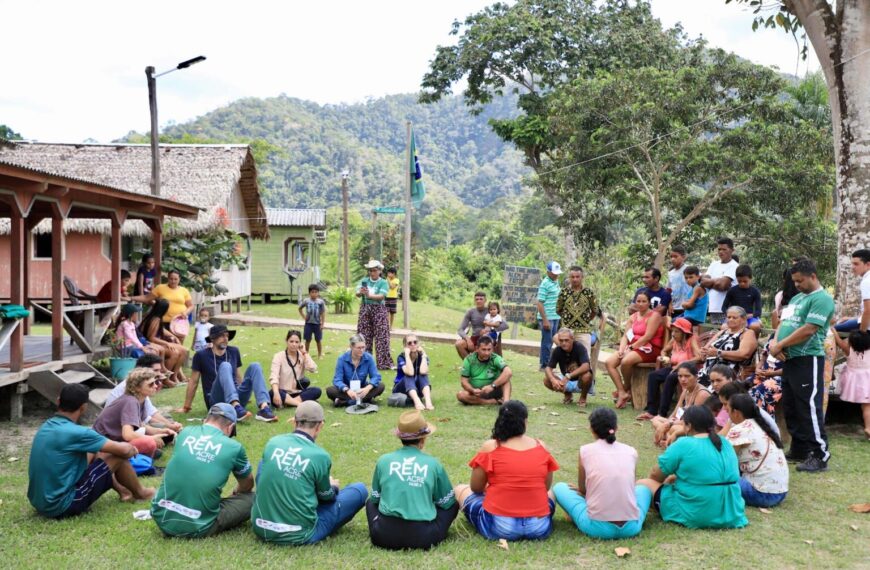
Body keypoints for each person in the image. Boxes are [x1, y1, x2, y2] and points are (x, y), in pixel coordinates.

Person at [28, 384, 154, 518]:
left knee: (99, 451)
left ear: (58, 401)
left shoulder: (46, 426)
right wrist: (131, 448)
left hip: (39, 502)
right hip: (61, 505)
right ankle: (141, 493)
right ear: (83, 407)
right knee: (118, 455)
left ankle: (124, 492)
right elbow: (123, 451)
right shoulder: (79, 433)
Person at [251, 401, 368, 545]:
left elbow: (260, 479)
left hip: (260, 526)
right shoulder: (320, 456)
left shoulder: (273, 443)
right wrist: (333, 487)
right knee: (359, 490)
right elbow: (327, 497)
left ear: (294, 422)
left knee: (265, 462)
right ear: (320, 426)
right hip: (300, 533)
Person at [455, 401, 559, 541]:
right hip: (538, 527)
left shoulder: (491, 447)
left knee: (460, 489)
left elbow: (476, 488)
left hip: (501, 527)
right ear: (525, 422)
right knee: (551, 493)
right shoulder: (541, 446)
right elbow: (545, 487)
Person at [769, 259, 835, 472]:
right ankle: (799, 448)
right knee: (791, 405)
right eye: (794, 281)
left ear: (813, 276)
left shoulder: (822, 299)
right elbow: (783, 324)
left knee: (808, 407)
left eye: (800, 281)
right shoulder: (797, 298)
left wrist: (780, 344)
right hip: (789, 360)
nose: (796, 285)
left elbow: (809, 329)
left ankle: (819, 453)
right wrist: (775, 344)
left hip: (808, 359)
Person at [151, 403, 255, 537]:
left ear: (205, 420)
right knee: (252, 499)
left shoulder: (185, 433)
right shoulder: (234, 447)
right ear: (230, 428)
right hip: (198, 525)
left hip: (161, 516)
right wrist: (236, 493)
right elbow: (247, 484)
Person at [638, 405, 747, 529]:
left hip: (697, 512)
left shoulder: (684, 444)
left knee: (643, 484)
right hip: (732, 512)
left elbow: (655, 475)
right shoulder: (725, 442)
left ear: (688, 426)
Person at [553, 408, 652, 539]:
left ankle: (576, 515)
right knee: (643, 489)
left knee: (560, 488)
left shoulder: (585, 451)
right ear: (617, 428)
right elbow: (631, 487)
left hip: (597, 527)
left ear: (591, 429)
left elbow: (583, 489)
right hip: (631, 527)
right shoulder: (631, 451)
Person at [366, 410, 458, 550]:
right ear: (423, 439)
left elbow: (375, 499)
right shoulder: (433, 464)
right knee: (454, 505)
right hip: (424, 537)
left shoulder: (383, 460)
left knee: (369, 503)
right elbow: (447, 503)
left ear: (400, 437)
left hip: (384, 536)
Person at [179, 324, 277, 423]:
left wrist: (244, 393)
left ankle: (264, 408)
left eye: (227, 336)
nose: (225, 338)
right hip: (216, 400)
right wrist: (186, 407)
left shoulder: (233, 351)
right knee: (225, 365)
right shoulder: (201, 355)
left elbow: (238, 377)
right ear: (212, 339)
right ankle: (235, 407)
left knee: (255, 366)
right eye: (221, 336)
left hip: (237, 398)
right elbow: (193, 382)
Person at [93, 368, 177, 459]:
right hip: (103, 445)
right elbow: (128, 435)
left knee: (153, 440)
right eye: (151, 384)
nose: (156, 386)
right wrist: (152, 438)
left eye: (155, 382)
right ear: (137, 387)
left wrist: (160, 431)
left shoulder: (140, 399)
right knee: (149, 443)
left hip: (113, 440)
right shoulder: (130, 401)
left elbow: (141, 425)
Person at [725, 394, 789, 508]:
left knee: (713, 478)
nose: (726, 413)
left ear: (736, 412)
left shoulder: (739, 430)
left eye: (728, 410)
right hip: (780, 493)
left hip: (761, 495)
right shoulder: (762, 426)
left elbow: (724, 461)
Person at [606, 292, 664, 409]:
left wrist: (631, 348)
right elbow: (626, 336)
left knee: (626, 361)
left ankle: (627, 387)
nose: (641, 304)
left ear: (649, 303)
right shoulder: (633, 317)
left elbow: (647, 336)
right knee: (609, 362)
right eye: (638, 301)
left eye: (644, 301)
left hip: (650, 348)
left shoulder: (654, 316)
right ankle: (622, 392)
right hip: (633, 347)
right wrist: (622, 349)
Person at [637, 317, 701, 421]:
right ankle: (651, 411)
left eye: (677, 332)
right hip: (674, 368)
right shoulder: (674, 340)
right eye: (673, 331)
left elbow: (700, 357)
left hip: (688, 371)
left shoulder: (692, 339)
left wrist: (682, 363)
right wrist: (663, 357)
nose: (673, 334)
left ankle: (662, 413)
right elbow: (664, 350)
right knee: (653, 376)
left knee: (671, 378)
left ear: (684, 332)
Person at [104, 354, 182, 432]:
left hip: (134, 422)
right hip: (120, 427)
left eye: (159, 370)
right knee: (158, 431)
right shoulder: (131, 393)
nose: (159, 374)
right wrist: (168, 427)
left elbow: (151, 412)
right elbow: (133, 427)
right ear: (143, 371)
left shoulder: (140, 385)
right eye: (155, 370)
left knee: (165, 417)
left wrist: (170, 425)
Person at [650, 362, 711, 447]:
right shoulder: (686, 390)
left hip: (696, 428)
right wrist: (667, 423)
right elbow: (674, 414)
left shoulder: (702, 394)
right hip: (682, 423)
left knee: (673, 428)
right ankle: (669, 438)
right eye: (680, 376)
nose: (683, 379)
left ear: (696, 377)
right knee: (656, 419)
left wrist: (668, 425)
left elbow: (693, 421)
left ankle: (668, 439)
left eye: (687, 376)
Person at [697, 306, 758, 384]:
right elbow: (706, 348)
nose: (730, 320)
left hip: (729, 375)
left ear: (743, 319)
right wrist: (703, 352)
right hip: (707, 371)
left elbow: (744, 354)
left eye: (734, 318)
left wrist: (718, 353)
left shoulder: (747, 333)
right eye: (729, 317)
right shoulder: (722, 332)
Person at [555, 265, 603, 361]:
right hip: (566, 330)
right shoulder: (564, 292)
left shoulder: (588, 292)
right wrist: (568, 320)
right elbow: (558, 310)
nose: (575, 279)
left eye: (577, 277)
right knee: (564, 354)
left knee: (585, 358)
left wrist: (586, 320)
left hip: (583, 330)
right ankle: (567, 373)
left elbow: (595, 310)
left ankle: (584, 374)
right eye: (572, 277)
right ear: (569, 278)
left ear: (582, 277)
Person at [139, 299, 189, 386]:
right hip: (151, 344)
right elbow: (151, 338)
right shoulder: (155, 319)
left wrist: (174, 336)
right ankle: (166, 379)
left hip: (155, 343)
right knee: (175, 353)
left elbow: (161, 329)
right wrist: (166, 343)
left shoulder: (154, 316)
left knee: (184, 350)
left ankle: (175, 376)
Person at [326, 333, 385, 406]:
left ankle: (345, 402)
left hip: (362, 388)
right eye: (359, 348)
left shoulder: (369, 358)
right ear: (351, 346)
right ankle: (363, 400)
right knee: (330, 390)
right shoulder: (342, 359)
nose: (362, 350)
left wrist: (367, 389)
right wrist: (347, 390)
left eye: (363, 347)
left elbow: (376, 376)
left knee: (380, 386)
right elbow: (337, 380)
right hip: (346, 390)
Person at [831, 330, 870, 439]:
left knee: (864, 404)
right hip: (867, 379)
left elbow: (838, 340)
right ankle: (868, 427)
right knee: (867, 406)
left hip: (853, 380)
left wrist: (833, 329)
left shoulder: (848, 349)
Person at [269, 329, 323, 409]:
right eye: (291, 341)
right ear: (286, 341)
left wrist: (304, 353)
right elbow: (274, 376)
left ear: (300, 343)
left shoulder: (302, 355)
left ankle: (289, 403)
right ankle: (300, 404)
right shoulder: (278, 356)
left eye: (297, 342)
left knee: (317, 390)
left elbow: (313, 368)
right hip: (283, 392)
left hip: (297, 392)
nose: (294, 344)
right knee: (272, 393)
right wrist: (276, 393)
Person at [355, 260, 394, 370]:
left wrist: (369, 295)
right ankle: (364, 362)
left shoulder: (383, 282)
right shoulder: (364, 281)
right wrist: (361, 292)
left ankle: (383, 363)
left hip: (379, 310)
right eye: (370, 270)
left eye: (374, 270)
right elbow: (357, 293)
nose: (372, 273)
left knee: (382, 337)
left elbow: (382, 296)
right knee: (364, 336)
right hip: (365, 308)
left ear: (379, 271)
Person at [456, 336, 513, 405]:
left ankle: (506, 403)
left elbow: (508, 372)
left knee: (506, 379)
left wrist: (492, 386)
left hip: (494, 389)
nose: (487, 353)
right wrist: (472, 390)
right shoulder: (469, 360)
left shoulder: (496, 358)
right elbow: (464, 381)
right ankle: (493, 402)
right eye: (484, 349)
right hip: (478, 392)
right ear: (477, 349)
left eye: (489, 349)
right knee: (461, 395)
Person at [542, 328, 592, 406]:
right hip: (565, 381)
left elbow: (586, 366)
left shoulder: (579, 347)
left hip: (580, 381)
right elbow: (548, 368)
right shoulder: (558, 350)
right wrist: (553, 380)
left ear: (572, 339)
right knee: (546, 380)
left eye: (566, 340)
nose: (563, 343)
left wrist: (568, 376)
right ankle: (567, 394)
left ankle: (583, 398)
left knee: (587, 376)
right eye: (561, 340)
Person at [142, 269, 194, 342]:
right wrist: (130, 298)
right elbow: (147, 298)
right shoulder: (160, 288)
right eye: (171, 279)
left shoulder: (184, 290)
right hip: (163, 322)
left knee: (178, 345)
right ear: (168, 278)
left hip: (178, 323)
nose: (173, 281)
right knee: (165, 344)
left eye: (175, 279)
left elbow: (191, 306)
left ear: (179, 279)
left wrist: (185, 312)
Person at [455, 292, 508, 359]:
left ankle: (489, 365)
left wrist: (490, 329)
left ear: (485, 300)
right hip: (474, 338)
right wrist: (468, 340)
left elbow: (505, 325)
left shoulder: (491, 310)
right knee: (459, 344)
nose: (478, 301)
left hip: (487, 339)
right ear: (474, 301)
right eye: (476, 299)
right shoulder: (471, 312)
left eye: (481, 299)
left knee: (487, 346)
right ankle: (471, 364)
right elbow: (460, 329)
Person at [700, 237, 739, 325]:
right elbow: (702, 282)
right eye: (719, 249)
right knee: (716, 334)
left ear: (732, 250)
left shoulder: (734, 266)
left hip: (728, 309)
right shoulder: (714, 264)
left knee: (726, 334)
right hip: (714, 308)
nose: (721, 252)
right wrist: (718, 281)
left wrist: (710, 282)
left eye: (724, 249)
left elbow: (723, 286)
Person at [391, 334, 434, 411]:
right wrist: (407, 355)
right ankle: (417, 402)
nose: (413, 344)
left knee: (423, 375)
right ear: (405, 346)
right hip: (400, 389)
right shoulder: (401, 357)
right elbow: (410, 372)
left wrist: (424, 355)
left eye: (415, 342)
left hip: (416, 389)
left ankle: (428, 402)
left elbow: (423, 371)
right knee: (409, 375)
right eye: (409, 343)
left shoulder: (422, 356)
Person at [747, 335, 785, 415]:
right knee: (742, 386)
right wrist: (758, 369)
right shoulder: (773, 336)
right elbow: (763, 359)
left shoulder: (793, 339)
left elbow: (792, 368)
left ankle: (763, 421)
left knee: (758, 392)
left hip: (781, 376)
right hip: (764, 373)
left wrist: (772, 373)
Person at [535, 261, 563, 370]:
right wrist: (545, 320)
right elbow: (540, 303)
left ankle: (549, 364)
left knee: (554, 341)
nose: (556, 275)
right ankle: (544, 365)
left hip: (555, 317)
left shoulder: (556, 282)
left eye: (557, 273)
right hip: (547, 318)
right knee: (547, 342)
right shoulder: (545, 284)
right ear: (548, 272)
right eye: (554, 273)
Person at [834, 249, 870, 332]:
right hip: (862, 320)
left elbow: (868, 310)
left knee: (831, 330)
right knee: (844, 322)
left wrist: (862, 333)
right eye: (852, 264)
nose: (852, 267)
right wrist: (852, 319)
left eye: (856, 264)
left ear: (868, 264)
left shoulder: (867, 281)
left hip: (867, 326)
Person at [722, 264, 763, 333]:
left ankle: (752, 342)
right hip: (734, 317)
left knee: (755, 326)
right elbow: (724, 307)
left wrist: (748, 316)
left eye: (745, 281)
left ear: (750, 278)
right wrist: (731, 315)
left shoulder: (755, 291)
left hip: (749, 317)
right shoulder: (732, 291)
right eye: (739, 281)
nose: (742, 283)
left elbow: (758, 311)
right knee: (724, 327)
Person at [298, 284, 326, 358]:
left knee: (318, 340)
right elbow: (300, 309)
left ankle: (319, 354)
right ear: (309, 293)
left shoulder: (321, 302)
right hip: (308, 324)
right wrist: (304, 317)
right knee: (307, 340)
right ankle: (306, 354)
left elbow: (323, 313)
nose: (314, 294)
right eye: (312, 292)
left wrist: (322, 324)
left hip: (317, 324)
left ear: (318, 293)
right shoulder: (306, 301)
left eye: (316, 292)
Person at [681, 265, 709, 333]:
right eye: (686, 278)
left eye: (691, 277)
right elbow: (687, 305)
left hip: (695, 318)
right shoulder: (692, 289)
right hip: (689, 316)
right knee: (672, 322)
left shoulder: (698, 288)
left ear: (698, 277)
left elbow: (689, 305)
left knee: (677, 323)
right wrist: (686, 304)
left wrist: (683, 304)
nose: (688, 280)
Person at [668, 245, 692, 318]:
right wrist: (669, 304)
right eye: (671, 257)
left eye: (675, 256)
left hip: (687, 307)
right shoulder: (670, 273)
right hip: (674, 308)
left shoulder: (689, 269)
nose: (672, 259)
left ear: (683, 257)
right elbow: (669, 290)